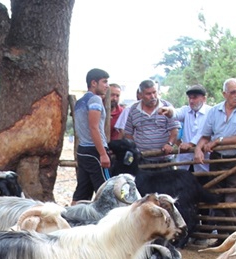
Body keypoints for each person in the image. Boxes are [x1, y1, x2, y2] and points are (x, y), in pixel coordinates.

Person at [194, 78, 236, 240]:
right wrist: (198, 149)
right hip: (218, 158)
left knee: (231, 197)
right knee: (216, 197)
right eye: (233, 92)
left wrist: (218, 141)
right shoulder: (215, 111)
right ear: (224, 94)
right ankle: (223, 237)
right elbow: (205, 136)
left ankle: (235, 236)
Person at [73, 68, 111, 202]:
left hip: (83, 151)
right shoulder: (95, 100)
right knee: (107, 193)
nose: (107, 85)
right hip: (94, 151)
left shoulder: (79, 102)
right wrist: (103, 153)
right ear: (94, 83)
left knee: (82, 192)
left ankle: (70, 220)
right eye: (104, 82)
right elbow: (94, 127)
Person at [120, 79, 179, 164]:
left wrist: (169, 144)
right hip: (144, 160)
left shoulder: (166, 107)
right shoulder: (133, 109)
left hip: (165, 159)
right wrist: (135, 149)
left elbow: (175, 130)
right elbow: (128, 133)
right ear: (141, 95)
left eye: (154, 92)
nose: (153, 96)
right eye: (148, 94)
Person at [173, 84, 211, 173]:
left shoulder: (211, 112)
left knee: (205, 184)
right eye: (189, 98)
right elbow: (175, 113)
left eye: (194, 98)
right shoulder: (186, 110)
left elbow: (205, 131)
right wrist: (168, 111)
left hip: (203, 161)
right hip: (186, 160)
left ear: (204, 99)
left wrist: (191, 144)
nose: (191, 101)